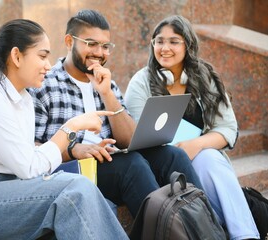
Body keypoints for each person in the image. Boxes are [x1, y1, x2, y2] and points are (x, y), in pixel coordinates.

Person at [0, 19, 129, 240]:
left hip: (2, 187)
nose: (49, 65)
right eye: (42, 56)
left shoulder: (22, 98)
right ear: (16, 56)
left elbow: (28, 159)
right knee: (76, 191)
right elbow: (29, 168)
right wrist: (70, 129)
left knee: (99, 204)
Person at [28, 9, 203, 219]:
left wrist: (107, 94)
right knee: (132, 165)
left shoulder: (106, 83)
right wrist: (74, 149)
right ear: (69, 41)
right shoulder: (44, 84)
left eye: (105, 46)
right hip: (70, 171)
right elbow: (32, 148)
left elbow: (127, 140)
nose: (99, 53)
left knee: (173, 156)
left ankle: (206, 227)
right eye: (91, 44)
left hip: (110, 163)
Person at [125, 15, 259, 239]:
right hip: (161, 163)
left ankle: (245, 236)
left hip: (201, 161)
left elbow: (227, 129)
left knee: (209, 158)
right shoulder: (141, 82)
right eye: (159, 41)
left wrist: (196, 145)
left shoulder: (205, 77)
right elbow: (138, 134)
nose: (165, 48)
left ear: (188, 44)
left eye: (173, 41)